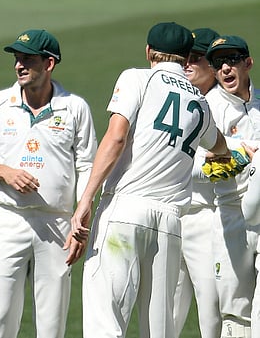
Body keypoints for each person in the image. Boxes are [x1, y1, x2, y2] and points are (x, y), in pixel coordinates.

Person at [67, 22, 230, 337]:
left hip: (125, 212)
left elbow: (116, 138)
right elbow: (219, 145)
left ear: (148, 51)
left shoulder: (136, 77)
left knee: (106, 322)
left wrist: (86, 198)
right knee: (159, 330)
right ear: (186, 60)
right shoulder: (200, 102)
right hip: (169, 224)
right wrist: (223, 155)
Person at [0, 29, 97, 338]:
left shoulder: (75, 108)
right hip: (7, 218)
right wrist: (4, 172)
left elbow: (87, 166)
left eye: (28, 59)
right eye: (17, 59)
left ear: (49, 63)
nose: (19, 65)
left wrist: (81, 216)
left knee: (51, 324)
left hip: (56, 225)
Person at [202, 35, 260, 338]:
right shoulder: (208, 107)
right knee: (235, 308)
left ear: (248, 63)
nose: (225, 68)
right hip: (230, 214)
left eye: (232, 60)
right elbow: (197, 159)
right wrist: (234, 153)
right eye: (218, 63)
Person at [173, 27, 224, 338]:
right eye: (184, 58)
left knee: (212, 313)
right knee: (164, 312)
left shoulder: (222, 103)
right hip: (171, 216)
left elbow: (229, 162)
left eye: (196, 58)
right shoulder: (178, 97)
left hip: (207, 216)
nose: (187, 64)